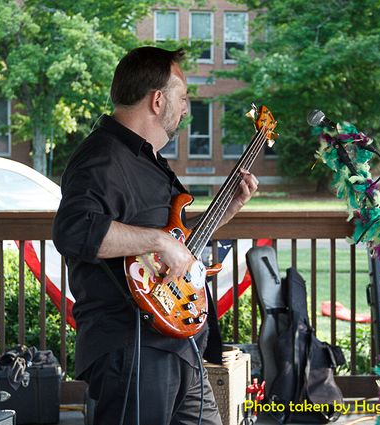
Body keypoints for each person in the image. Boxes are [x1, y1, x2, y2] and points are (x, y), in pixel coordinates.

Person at [52, 46, 258, 424]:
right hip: (131, 349)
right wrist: (159, 241)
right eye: (182, 98)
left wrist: (222, 216)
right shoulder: (102, 156)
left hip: (178, 343)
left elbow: (169, 250)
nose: (185, 109)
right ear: (158, 100)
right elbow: (74, 230)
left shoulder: (148, 160)